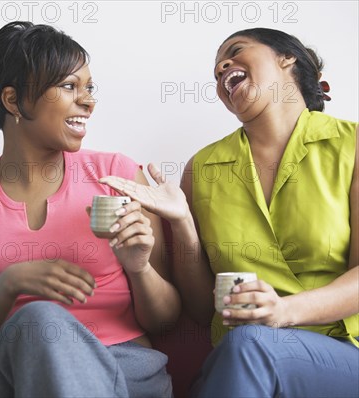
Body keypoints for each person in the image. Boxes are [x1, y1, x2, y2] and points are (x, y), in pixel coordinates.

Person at [100, 28, 359, 397]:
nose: (222, 68)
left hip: (344, 353)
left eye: (236, 52)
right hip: (240, 356)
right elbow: (203, 309)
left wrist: (282, 312)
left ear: (288, 59)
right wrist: (182, 222)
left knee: (251, 345)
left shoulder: (352, 144)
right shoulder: (202, 167)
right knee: (246, 347)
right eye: (217, 71)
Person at [0, 21, 180, 397]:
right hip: (14, 371)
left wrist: (138, 266)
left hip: (121, 367)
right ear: (13, 101)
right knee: (40, 320)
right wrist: (12, 283)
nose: (88, 101)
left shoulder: (118, 175)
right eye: (69, 86)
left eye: (89, 88)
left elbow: (164, 320)